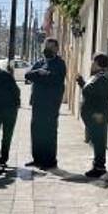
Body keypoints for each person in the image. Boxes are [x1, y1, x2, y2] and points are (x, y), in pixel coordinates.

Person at [24, 38, 67, 169]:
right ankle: (37, 159)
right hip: (37, 102)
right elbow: (28, 75)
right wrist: (39, 73)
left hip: (51, 104)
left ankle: (49, 161)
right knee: (36, 130)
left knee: (49, 132)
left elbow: (56, 80)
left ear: (56, 48)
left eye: (50, 47)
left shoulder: (60, 63)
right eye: (46, 46)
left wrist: (43, 76)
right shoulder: (40, 62)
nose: (47, 49)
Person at [76, 53, 108, 178]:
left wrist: (99, 113)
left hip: (98, 116)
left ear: (97, 63)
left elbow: (103, 98)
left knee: (99, 141)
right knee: (96, 141)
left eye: (93, 62)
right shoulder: (97, 76)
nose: (91, 64)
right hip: (93, 115)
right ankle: (97, 165)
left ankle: (99, 168)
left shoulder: (103, 78)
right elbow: (91, 92)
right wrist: (82, 83)